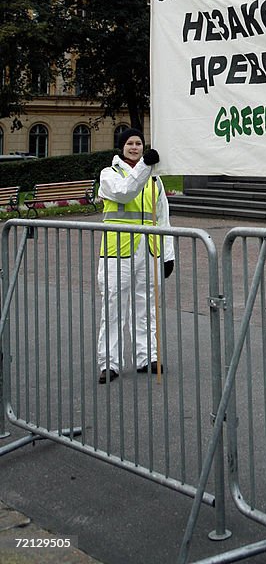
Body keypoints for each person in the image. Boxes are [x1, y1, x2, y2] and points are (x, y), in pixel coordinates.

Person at [97, 127, 175, 384]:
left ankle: (148, 357)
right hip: (116, 252)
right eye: (129, 143)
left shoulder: (155, 178)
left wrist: (168, 254)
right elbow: (124, 192)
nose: (134, 147)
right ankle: (109, 363)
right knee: (114, 308)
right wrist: (144, 166)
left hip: (148, 250)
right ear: (121, 147)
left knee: (148, 307)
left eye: (138, 143)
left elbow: (163, 216)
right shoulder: (109, 174)